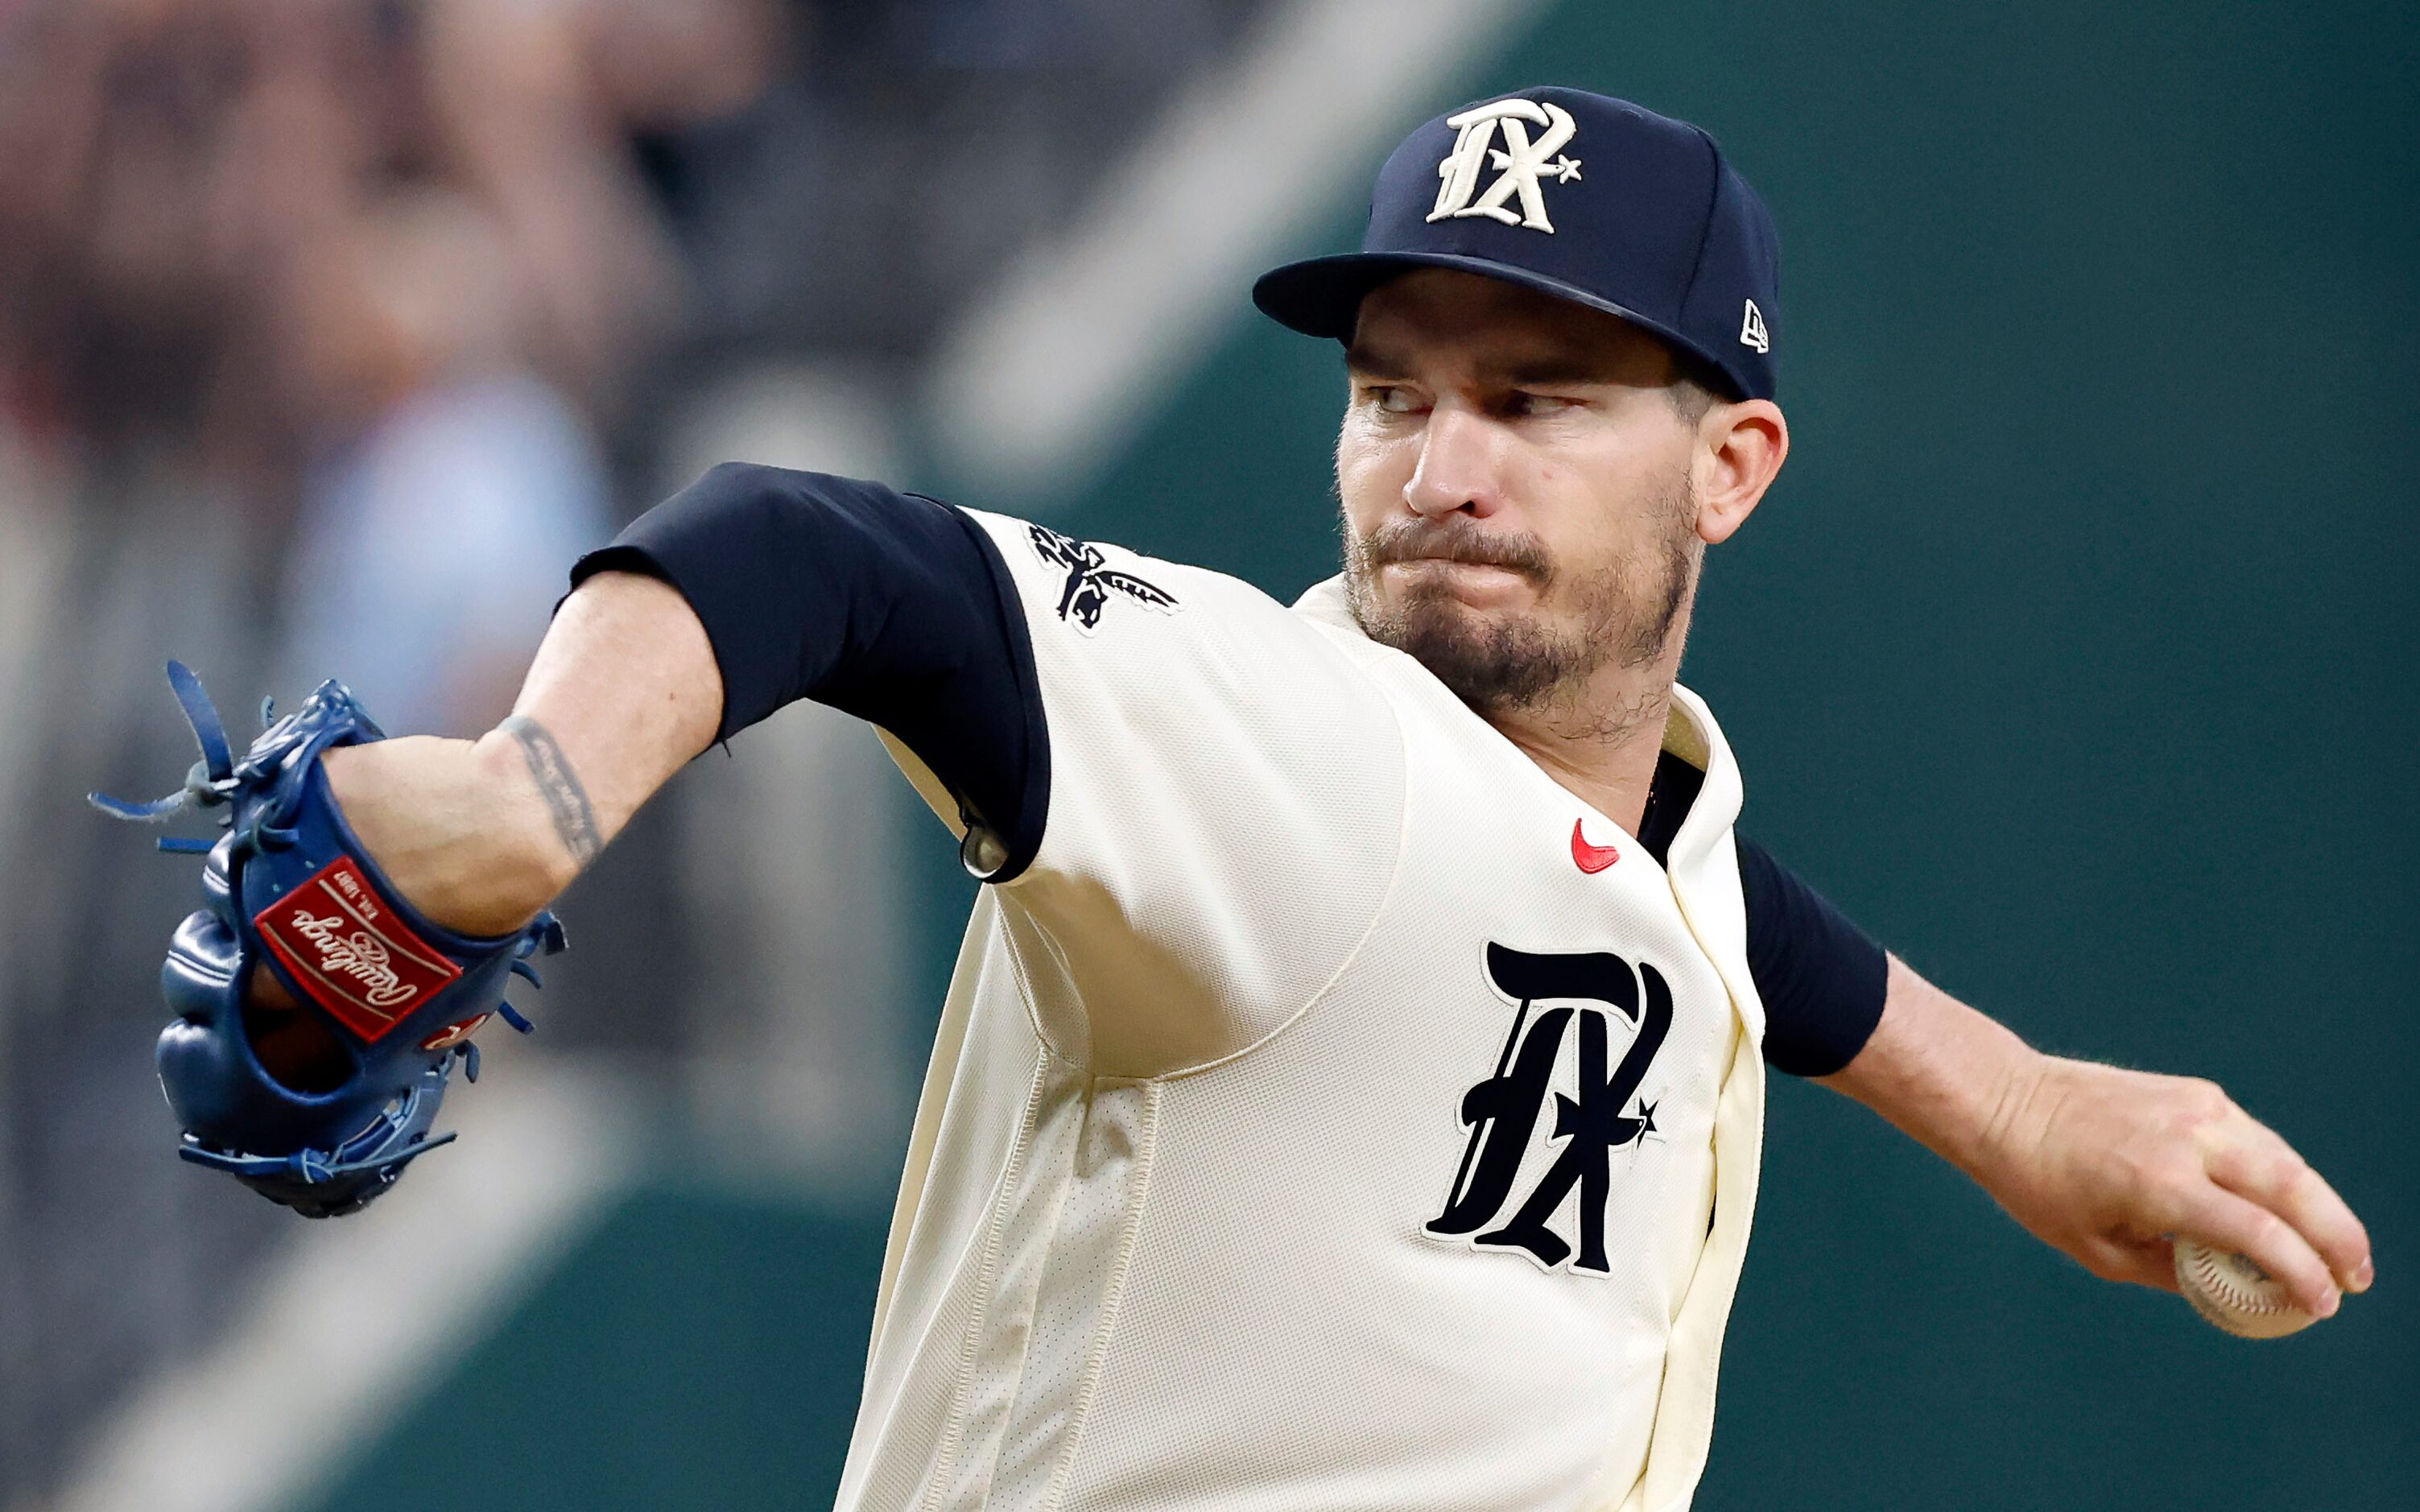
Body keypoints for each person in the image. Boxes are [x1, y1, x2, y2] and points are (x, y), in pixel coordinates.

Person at [250, 90, 2371, 1510]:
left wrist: (2012, 1099)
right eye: (1392, 397)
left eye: (1536, 400)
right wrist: (533, 790)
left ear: (1732, 466)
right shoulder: (1281, 732)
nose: (1443, 465)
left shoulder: (1628, 844)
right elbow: (810, 555)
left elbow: (1701, 920)